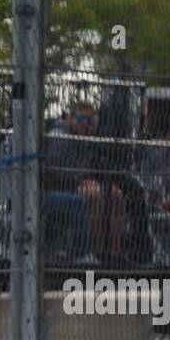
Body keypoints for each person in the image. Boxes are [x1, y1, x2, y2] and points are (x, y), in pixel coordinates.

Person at [43, 99, 122, 265]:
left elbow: (95, 166)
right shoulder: (61, 135)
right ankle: (86, 251)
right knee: (94, 195)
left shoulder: (86, 137)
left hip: (78, 182)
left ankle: (110, 254)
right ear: (71, 118)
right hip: (58, 186)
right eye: (81, 119)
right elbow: (57, 171)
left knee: (115, 194)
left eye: (89, 121)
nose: (84, 124)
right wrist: (81, 181)